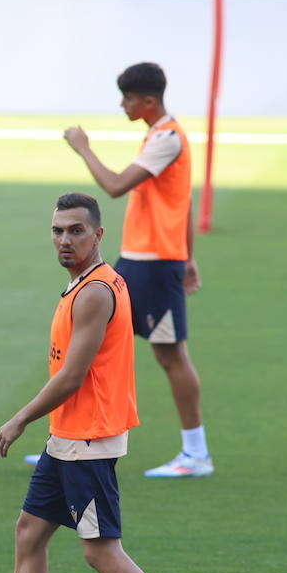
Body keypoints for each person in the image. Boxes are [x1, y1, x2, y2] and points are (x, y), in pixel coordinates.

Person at [0, 192, 211, 573]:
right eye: (57, 230)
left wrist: (19, 419)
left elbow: (73, 376)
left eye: (76, 230)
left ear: (99, 235)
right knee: (29, 533)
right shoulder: (85, 284)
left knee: (101, 553)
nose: (64, 240)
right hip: (68, 439)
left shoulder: (96, 292)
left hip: (88, 440)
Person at [59, 61, 214, 478]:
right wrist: (190, 257)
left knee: (170, 356)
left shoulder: (165, 139)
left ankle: (196, 454)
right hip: (144, 261)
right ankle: (72, 441)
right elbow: (181, 203)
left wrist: (83, 147)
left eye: (127, 98)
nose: (122, 104)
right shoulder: (161, 136)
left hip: (153, 264)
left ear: (147, 101)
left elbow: (113, 187)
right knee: (93, 345)